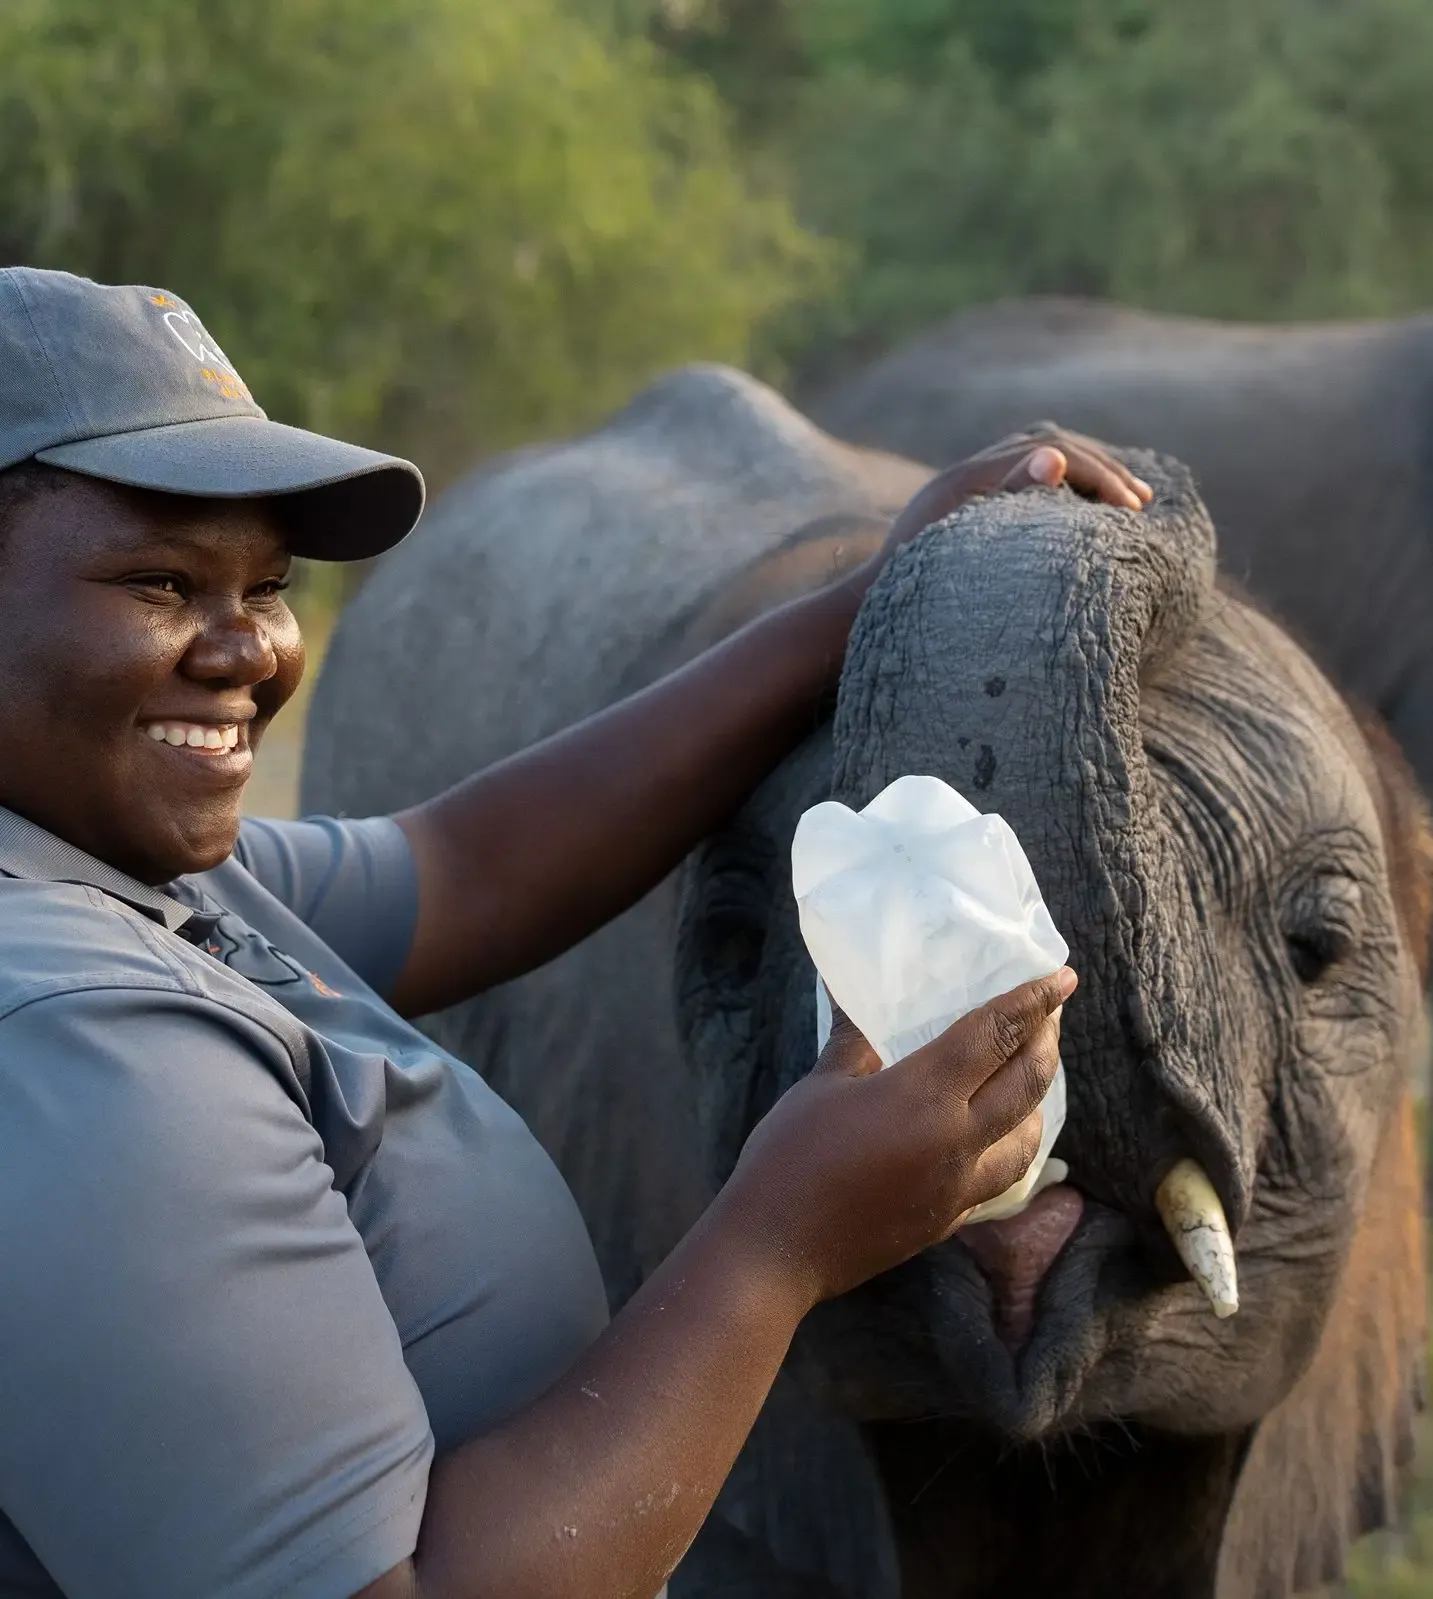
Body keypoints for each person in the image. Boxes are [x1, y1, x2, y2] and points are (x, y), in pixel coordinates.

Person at [0, 267, 1149, 1599]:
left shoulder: (120, 866)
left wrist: (867, 603)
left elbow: (467, 865)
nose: (249, 648)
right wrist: (784, 1236)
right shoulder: (71, 1042)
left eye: (264, 584)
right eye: (160, 581)